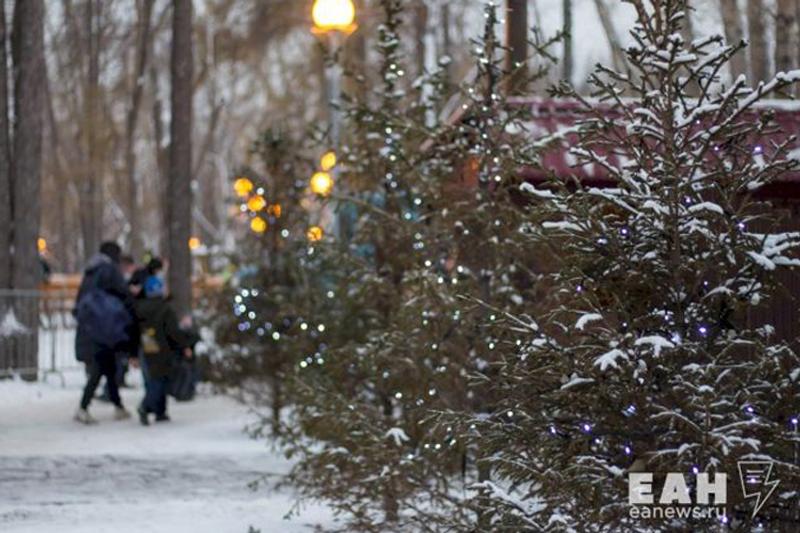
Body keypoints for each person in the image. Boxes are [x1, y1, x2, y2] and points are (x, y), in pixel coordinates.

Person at [73, 241, 138, 424]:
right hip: (107, 326)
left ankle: (118, 406)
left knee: (107, 366)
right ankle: (83, 407)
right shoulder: (109, 270)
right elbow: (123, 294)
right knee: (101, 367)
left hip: (92, 326)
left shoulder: (90, 271)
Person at [134, 273, 193, 425]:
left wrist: (132, 352)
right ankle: (147, 406)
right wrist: (184, 345)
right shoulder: (165, 309)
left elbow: (133, 331)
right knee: (160, 380)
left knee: (152, 378)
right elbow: (173, 331)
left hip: (147, 347)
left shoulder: (139, 308)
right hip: (163, 349)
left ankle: (160, 411)